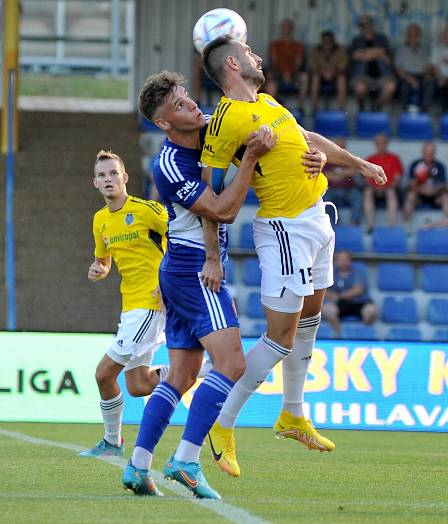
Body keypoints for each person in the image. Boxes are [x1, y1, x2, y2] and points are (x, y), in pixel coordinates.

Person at [199, 36, 387, 476]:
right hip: (285, 228)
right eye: (249, 52)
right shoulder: (227, 119)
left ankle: (293, 414)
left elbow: (307, 139)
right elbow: (210, 189)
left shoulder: (267, 101)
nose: (258, 57)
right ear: (232, 62)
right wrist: (212, 254)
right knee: (280, 337)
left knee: (310, 321)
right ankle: (221, 423)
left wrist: (354, 163)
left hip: (318, 219)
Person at [122, 71, 274, 499]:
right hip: (193, 270)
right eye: (176, 104)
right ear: (164, 123)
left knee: (181, 376)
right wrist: (248, 160)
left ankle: (137, 466)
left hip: (186, 269)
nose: (188, 103)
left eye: (185, 95)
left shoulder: (211, 129)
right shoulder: (169, 165)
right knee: (233, 365)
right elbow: (221, 210)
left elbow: (282, 130)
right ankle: (187, 459)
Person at [79, 150, 169, 459]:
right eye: (102, 175)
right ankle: (201, 369)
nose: (108, 179)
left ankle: (112, 443)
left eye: (113, 173)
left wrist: (168, 280)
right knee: (138, 385)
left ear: (125, 178)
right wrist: (99, 269)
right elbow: (103, 260)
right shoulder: (100, 221)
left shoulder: (147, 211)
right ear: (95, 182)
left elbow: (182, 237)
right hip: (129, 305)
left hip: (150, 303)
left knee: (104, 374)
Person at [321, 251, 378, 336]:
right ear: (336, 261)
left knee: (371, 311)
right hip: (339, 304)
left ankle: (364, 335)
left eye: (345, 259)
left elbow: (358, 290)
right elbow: (324, 290)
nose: (343, 262)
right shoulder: (331, 273)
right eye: (340, 259)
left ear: (350, 261)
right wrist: (332, 296)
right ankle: (339, 334)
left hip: (359, 303)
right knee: (327, 310)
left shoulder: (358, 272)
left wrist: (338, 296)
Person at [402, 141, 448, 228]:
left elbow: (444, 185)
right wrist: (422, 189)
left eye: (431, 152)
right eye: (427, 152)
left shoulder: (439, 166)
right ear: (423, 152)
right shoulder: (415, 164)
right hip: (419, 196)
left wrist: (434, 189)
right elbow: (411, 184)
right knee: (410, 196)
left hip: (435, 197)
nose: (429, 154)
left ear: (434, 153)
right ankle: (406, 226)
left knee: (446, 197)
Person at [349, 15, 396, 111]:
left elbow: (383, 51)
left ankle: (376, 108)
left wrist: (364, 53)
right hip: (362, 75)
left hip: (383, 75)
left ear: (372, 25)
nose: (366, 27)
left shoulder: (381, 38)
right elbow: (356, 55)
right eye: (362, 25)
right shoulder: (356, 40)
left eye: (367, 24)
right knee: (360, 88)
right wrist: (378, 53)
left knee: (390, 87)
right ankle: (362, 109)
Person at [264, 18, 308, 109]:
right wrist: (282, 74)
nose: (286, 30)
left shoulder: (298, 45)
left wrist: (290, 74)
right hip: (278, 74)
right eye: (284, 27)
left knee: (304, 77)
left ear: (292, 29)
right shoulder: (274, 45)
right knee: (270, 81)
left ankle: (301, 107)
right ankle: (271, 109)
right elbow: (273, 62)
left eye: (288, 27)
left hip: (293, 74)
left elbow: (298, 63)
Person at [364, 132, 402, 232]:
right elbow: (366, 179)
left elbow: (397, 179)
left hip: (389, 189)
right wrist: (376, 187)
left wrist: (385, 187)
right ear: (375, 144)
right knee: (367, 193)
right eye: (378, 143)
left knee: (391, 193)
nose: (380, 145)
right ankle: (370, 226)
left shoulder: (394, 158)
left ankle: (392, 226)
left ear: (387, 143)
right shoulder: (370, 159)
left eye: (383, 143)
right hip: (374, 189)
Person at [394, 23, 435, 112]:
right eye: (411, 33)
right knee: (405, 87)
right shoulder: (401, 49)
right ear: (407, 35)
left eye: (416, 33)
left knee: (430, 82)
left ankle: (424, 110)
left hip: (422, 75)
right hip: (406, 75)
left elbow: (430, 65)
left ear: (420, 35)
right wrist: (411, 79)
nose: (414, 35)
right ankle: (405, 111)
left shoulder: (425, 49)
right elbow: (398, 69)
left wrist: (428, 73)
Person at [323, 137, 363, 225]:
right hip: (331, 189)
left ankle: (354, 223)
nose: (340, 149)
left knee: (357, 196)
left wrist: (337, 173)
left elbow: (353, 171)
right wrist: (344, 174)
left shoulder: (350, 158)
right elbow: (326, 175)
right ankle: (335, 224)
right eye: (338, 146)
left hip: (348, 190)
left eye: (342, 147)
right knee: (325, 199)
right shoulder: (327, 158)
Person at [308, 30, 348, 113]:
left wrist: (332, 73)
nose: (327, 43)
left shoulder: (340, 50)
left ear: (333, 41)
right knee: (315, 78)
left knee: (342, 79)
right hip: (320, 76)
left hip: (335, 76)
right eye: (325, 41)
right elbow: (312, 66)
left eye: (329, 41)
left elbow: (343, 66)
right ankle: (314, 109)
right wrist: (323, 72)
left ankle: (341, 109)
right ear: (321, 41)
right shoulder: (315, 51)